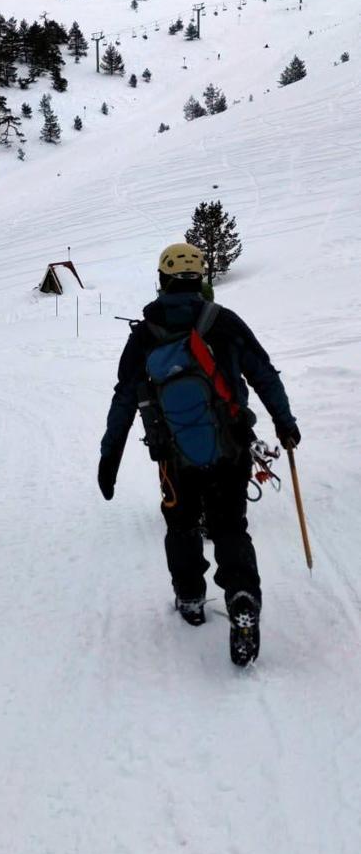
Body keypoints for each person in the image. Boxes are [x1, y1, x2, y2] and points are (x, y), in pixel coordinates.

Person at [97, 242, 300, 666]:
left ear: (162, 279)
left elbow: (124, 398)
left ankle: (190, 599)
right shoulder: (223, 322)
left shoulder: (145, 333)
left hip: (174, 457)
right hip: (232, 447)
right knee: (229, 526)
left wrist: (110, 456)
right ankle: (242, 596)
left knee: (182, 525)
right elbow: (262, 371)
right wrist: (284, 422)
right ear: (200, 279)